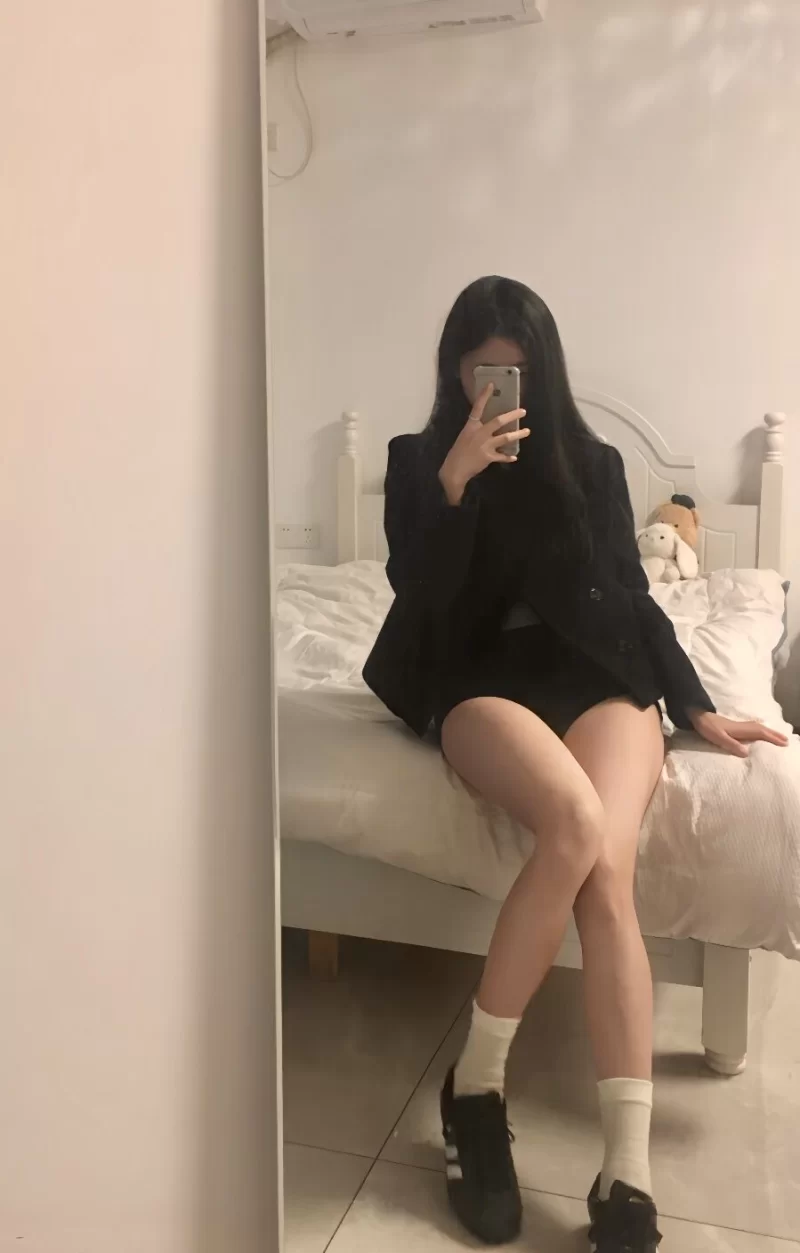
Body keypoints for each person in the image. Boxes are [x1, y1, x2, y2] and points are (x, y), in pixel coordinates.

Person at [363, 276, 787, 1252]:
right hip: (479, 680)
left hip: (597, 676)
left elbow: (632, 595)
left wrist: (693, 704)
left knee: (607, 873)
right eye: (479, 369)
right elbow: (417, 596)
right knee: (573, 822)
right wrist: (452, 485)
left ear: (541, 371)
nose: (493, 386)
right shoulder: (417, 461)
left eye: (511, 369)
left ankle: (626, 1173)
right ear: (454, 369)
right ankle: (476, 1089)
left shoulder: (591, 464)